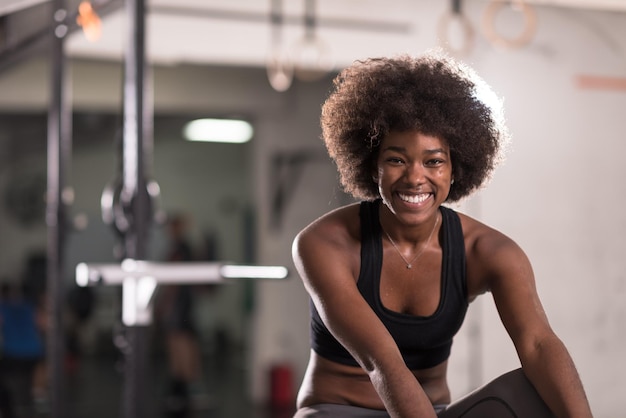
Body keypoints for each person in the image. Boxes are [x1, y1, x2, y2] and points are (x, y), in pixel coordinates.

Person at [291, 52, 593, 418]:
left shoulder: (489, 251)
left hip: (431, 412)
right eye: (397, 159)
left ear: (455, 169)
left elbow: (538, 343)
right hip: (337, 410)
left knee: (537, 389)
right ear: (373, 167)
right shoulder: (325, 244)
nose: (415, 178)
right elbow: (382, 364)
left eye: (433, 161)